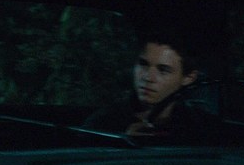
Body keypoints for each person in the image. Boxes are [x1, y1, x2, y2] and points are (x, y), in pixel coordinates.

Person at [83, 32, 215, 137]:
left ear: (188, 78)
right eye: (143, 64)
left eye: (163, 70)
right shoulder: (102, 123)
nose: (148, 78)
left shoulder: (202, 127)